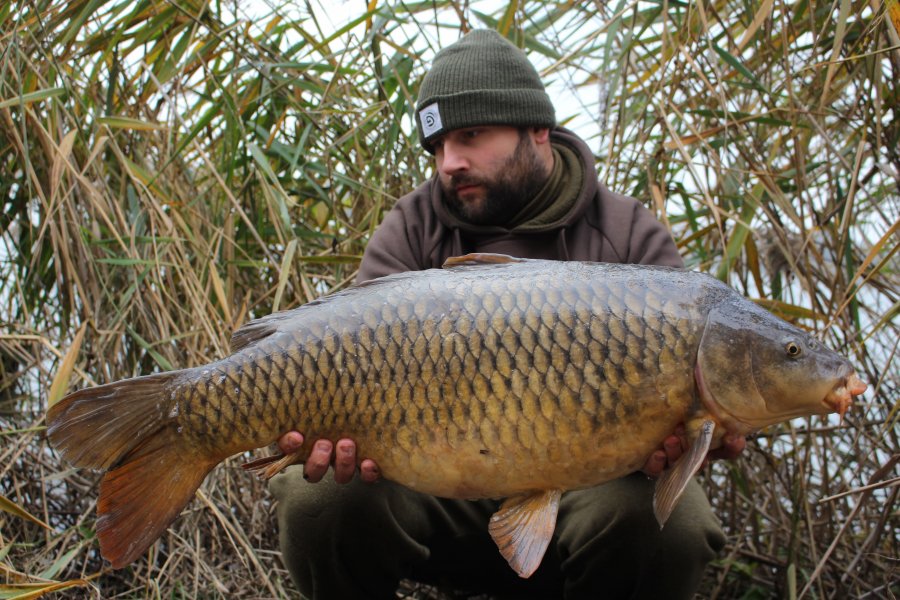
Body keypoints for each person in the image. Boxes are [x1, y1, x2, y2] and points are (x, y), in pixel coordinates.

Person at [269, 29, 744, 599]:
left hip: (583, 501)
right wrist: (329, 435)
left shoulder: (624, 233)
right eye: (438, 146)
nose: (450, 163)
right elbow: (347, 359)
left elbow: (704, 399)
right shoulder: (414, 227)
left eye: (470, 135)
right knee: (319, 496)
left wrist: (692, 442)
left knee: (676, 522)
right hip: (439, 497)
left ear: (536, 129)